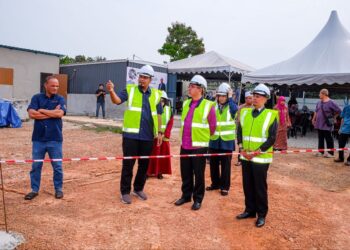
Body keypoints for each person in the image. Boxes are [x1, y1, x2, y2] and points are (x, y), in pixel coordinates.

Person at [106, 65, 163, 204]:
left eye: (145, 77)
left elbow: (159, 114)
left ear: (150, 79)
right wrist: (111, 91)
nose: (142, 80)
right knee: (128, 164)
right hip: (131, 135)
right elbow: (117, 100)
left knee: (144, 165)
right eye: (141, 77)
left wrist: (160, 132)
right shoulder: (130, 90)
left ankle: (138, 188)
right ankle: (125, 192)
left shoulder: (156, 94)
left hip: (148, 135)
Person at [236, 83, 278, 228]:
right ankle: (249, 210)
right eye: (253, 96)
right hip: (245, 155)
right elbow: (239, 131)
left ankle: (261, 214)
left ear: (266, 99)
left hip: (260, 157)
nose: (254, 99)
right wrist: (241, 148)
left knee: (259, 187)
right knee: (247, 185)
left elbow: (272, 137)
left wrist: (258, 151)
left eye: (258, 96)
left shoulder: (271, 115)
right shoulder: (245, 112)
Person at [174, 75, 216, 211]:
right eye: (190, 86)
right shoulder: (186, 104)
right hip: (185, 144)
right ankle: (186, 195)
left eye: (192, 86)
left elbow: (213, 127)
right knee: (185, 172)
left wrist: (202, 139)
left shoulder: (208, 106)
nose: (189, 88)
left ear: (200, 89)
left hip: (199, 146)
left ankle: (198, 199)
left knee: (198, 174)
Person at [24, 76, 66, 200]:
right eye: (53, 85)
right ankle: (34, 190)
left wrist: (41, 110)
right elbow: (32, 114)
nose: (55, 88)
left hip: (55, 139)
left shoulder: (60, 99)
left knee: (57, 166)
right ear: (46, 85)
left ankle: (58, 189)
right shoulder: (36, 98)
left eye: (57, 86)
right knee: (36, 166)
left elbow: (60, 114)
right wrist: (52, 113)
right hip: (39, 139)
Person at [206, 83, 238, 196]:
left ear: (227, 96)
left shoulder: (232, 106)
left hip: (226, 141)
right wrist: (213, 97)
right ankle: (215, 184)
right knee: (213, 164)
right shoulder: (213, 105)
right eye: (220, 96)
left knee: (225, 166)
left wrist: (230, 98)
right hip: (214, 139)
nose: (221, 98)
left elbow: (235, 110)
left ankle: (225, 187)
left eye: (224, 96)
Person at [147, 92, 174, 179]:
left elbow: (170, 124)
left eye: (163, 101)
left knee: (162, 156)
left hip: (164, 137)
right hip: (153, 136)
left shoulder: (169, 110)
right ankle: (147, 172)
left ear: (166, 101)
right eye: (160, 100)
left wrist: (165, 134)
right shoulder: (153, 109)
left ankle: (160, 172)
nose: (161, 102)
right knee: (151, 155)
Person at [312, 89, 341, 158]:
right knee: (320, 138)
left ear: (324, 94)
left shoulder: (331, 102)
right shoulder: (319, 102)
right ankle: (321, 152)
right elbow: (316, 111)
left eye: (320, 94)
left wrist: (334, 117)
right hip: (319, 123)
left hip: (327, 124)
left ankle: (330, 153)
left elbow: (339, 110)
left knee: (328, 138)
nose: (319, 95)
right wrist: (313, 119)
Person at [235, 91, 254, 166]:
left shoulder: (255, 107)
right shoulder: (241, 107)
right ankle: (240, 160)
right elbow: (238, 119)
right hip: (242, 129)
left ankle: (250, 158)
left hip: (252, 129)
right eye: (246, 98)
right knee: (241, 144)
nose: (248, 100)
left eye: (250, 98)